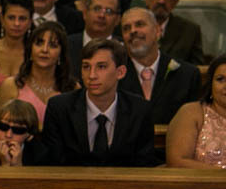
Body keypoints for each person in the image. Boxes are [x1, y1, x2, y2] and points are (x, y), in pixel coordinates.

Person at [41, 38, 157, 167]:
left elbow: (144, 165)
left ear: (120, 72)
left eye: (101, 67)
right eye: (86, 67)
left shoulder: (139, 110)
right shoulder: (59, 108)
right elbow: (52, 164)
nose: (92, 75)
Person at [167, 53, 226, 170]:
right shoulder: (192, 112)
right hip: (196, 186)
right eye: (221, 79)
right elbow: (177, 162)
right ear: (211, 84)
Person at [118, 7, 201, 124]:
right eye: (126, 28)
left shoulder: (187, 75)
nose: (133, 31)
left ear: (157, 31)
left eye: (140, 24)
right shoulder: (115, 75)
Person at [0, 21, 77, 123]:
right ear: (30, 49)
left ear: (61, 53)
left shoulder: (73, 88)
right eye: (39, 43)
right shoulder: (11, 85)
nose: (45, 50)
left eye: (53, 45)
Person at [145, 0, 205, 64]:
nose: (161, 1)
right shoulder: (130, 25)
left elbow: (196, 70)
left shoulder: (190, 31)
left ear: (175, 2)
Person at [0, 99, 44, 166]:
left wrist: (18, 165)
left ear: (29, 134)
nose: (8, 135)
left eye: (18, 130)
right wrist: (5, 163)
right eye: (3, 127)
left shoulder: (40, 153)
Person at [68, 0, 122, 68]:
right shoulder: (66, 45)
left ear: (117, 19)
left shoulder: (124, 50)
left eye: (109, 11)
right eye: (97, 9)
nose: (101, 15)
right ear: (85, 13)